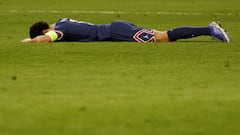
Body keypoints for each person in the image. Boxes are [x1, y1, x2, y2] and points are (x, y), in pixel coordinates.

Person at [21, 18, 231, 43]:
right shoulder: (62, 21)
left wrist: (31, 41)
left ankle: (210, 29)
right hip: (116, 28)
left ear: (45, 30)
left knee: (163, 38)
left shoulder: (60, 30)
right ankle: (209, 29)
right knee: (162, 34)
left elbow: (49, 38)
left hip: (115, 32)